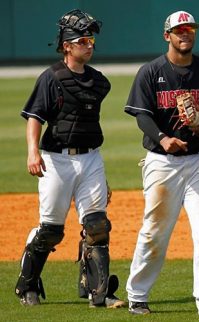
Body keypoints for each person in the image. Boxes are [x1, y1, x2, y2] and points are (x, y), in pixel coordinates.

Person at [15, 9, 125, 309]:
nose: (89, 45)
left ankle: (97, 292)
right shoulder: (51, 78)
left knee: (98, 225)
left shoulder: (99, 82)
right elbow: (35, 117)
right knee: (51, 230)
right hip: (56, 160)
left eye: (91, 39)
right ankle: (27, 284)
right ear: (67, 45)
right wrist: (33, 151)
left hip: (90, 159)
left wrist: (99, 174)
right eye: (82, 40)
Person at [124, 10, 199, 317]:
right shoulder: (150, 72)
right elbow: (142, 115)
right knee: (155, 230)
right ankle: (138, 294)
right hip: (163, 162)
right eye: (179, 30)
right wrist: (162, 138)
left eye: (190, 30)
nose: (186, 34)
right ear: (167, 36)